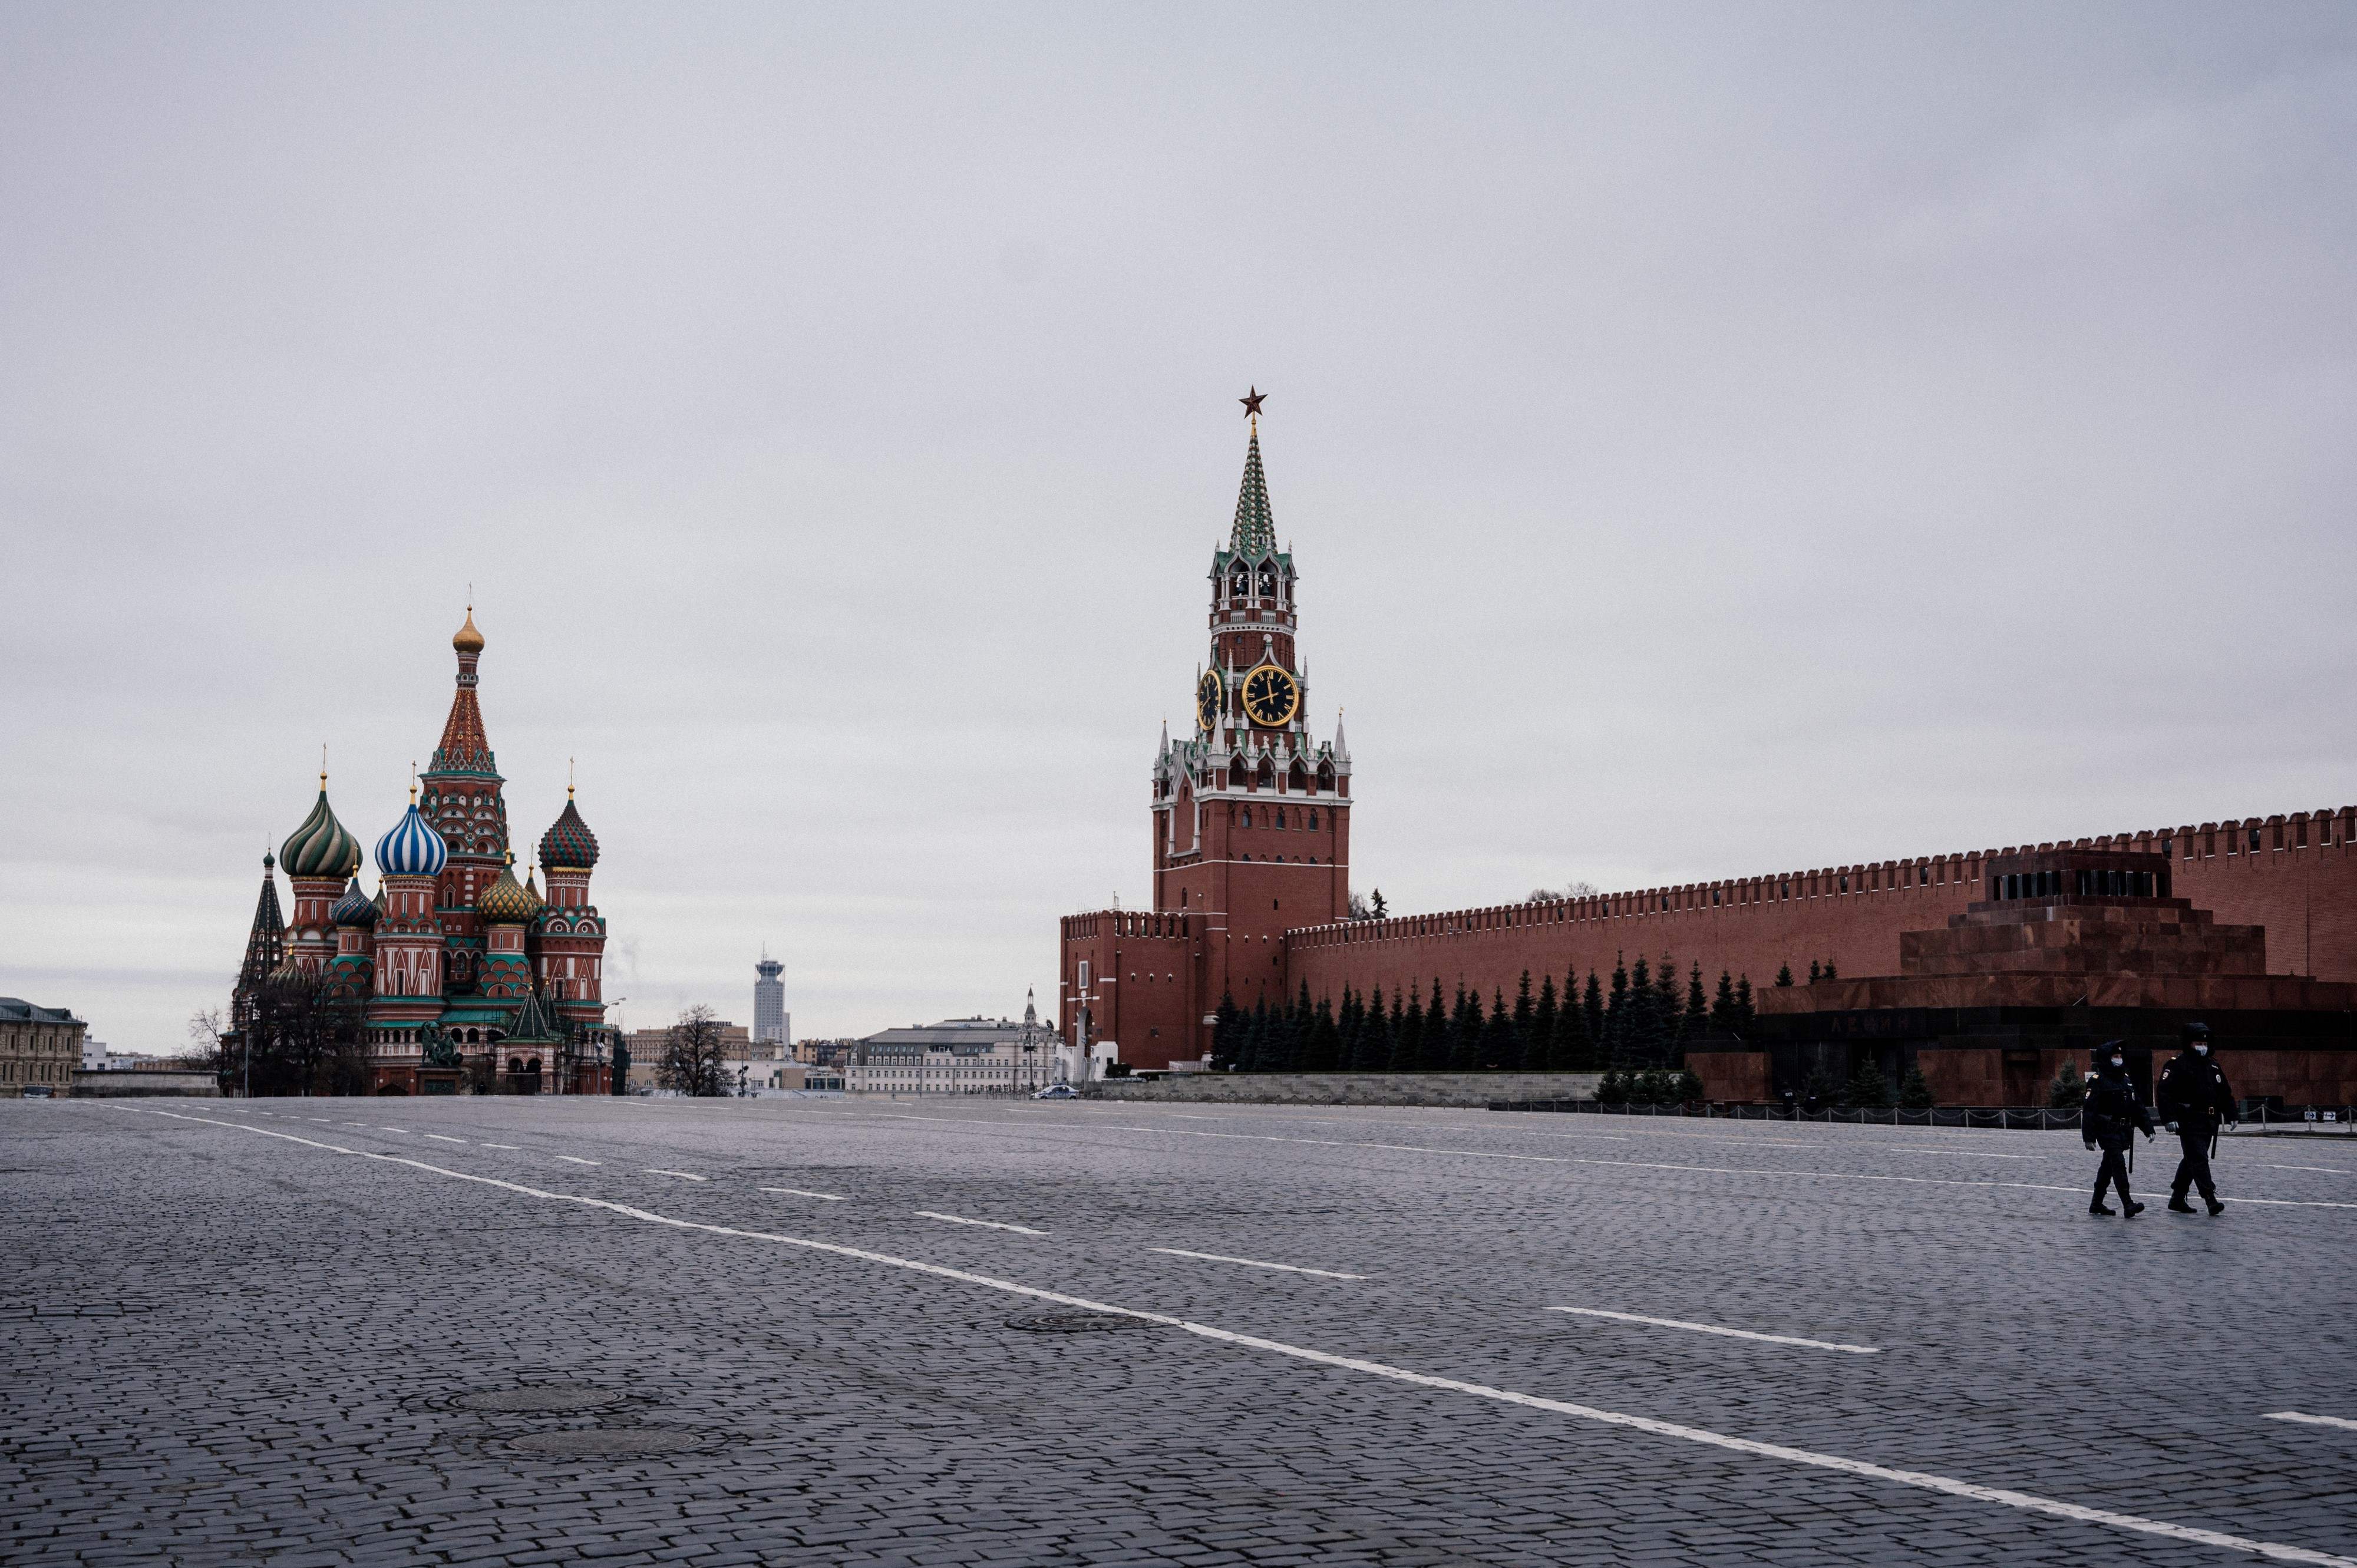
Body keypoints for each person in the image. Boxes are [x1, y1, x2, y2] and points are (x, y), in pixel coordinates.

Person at [2157, 1021, 2236, 1215]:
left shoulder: (2213, 1065)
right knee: (2199, 1159)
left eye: (2205, 1043)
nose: (2202, 1047)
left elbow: (2225, 1093)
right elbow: (2164, 1093)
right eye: (2198, 1043)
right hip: (2189, 1121)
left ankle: (2177, 1198)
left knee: (2192, 1159)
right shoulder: (2178, 1064)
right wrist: (2168, 1118)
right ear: (2189, 1044)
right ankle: (2210, 1198)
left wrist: (2232, 1114)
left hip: (2209, 1122)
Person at [2081, 1042, 2154, 1217]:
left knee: (2108, 1167)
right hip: (2106, 1130)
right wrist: (2089, 1137)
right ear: (2107, 1059)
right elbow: (2089, 1110)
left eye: (2120, 1057)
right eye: (2115, 1057)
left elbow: (2137, 1106)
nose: (2119, 1060)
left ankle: (2096, 1204)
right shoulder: (2097, 1081)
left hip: (2123, 1131)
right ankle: (2128, 1204)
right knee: (2118, 1164)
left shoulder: (2126, 1079)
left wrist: (2148, 1128)